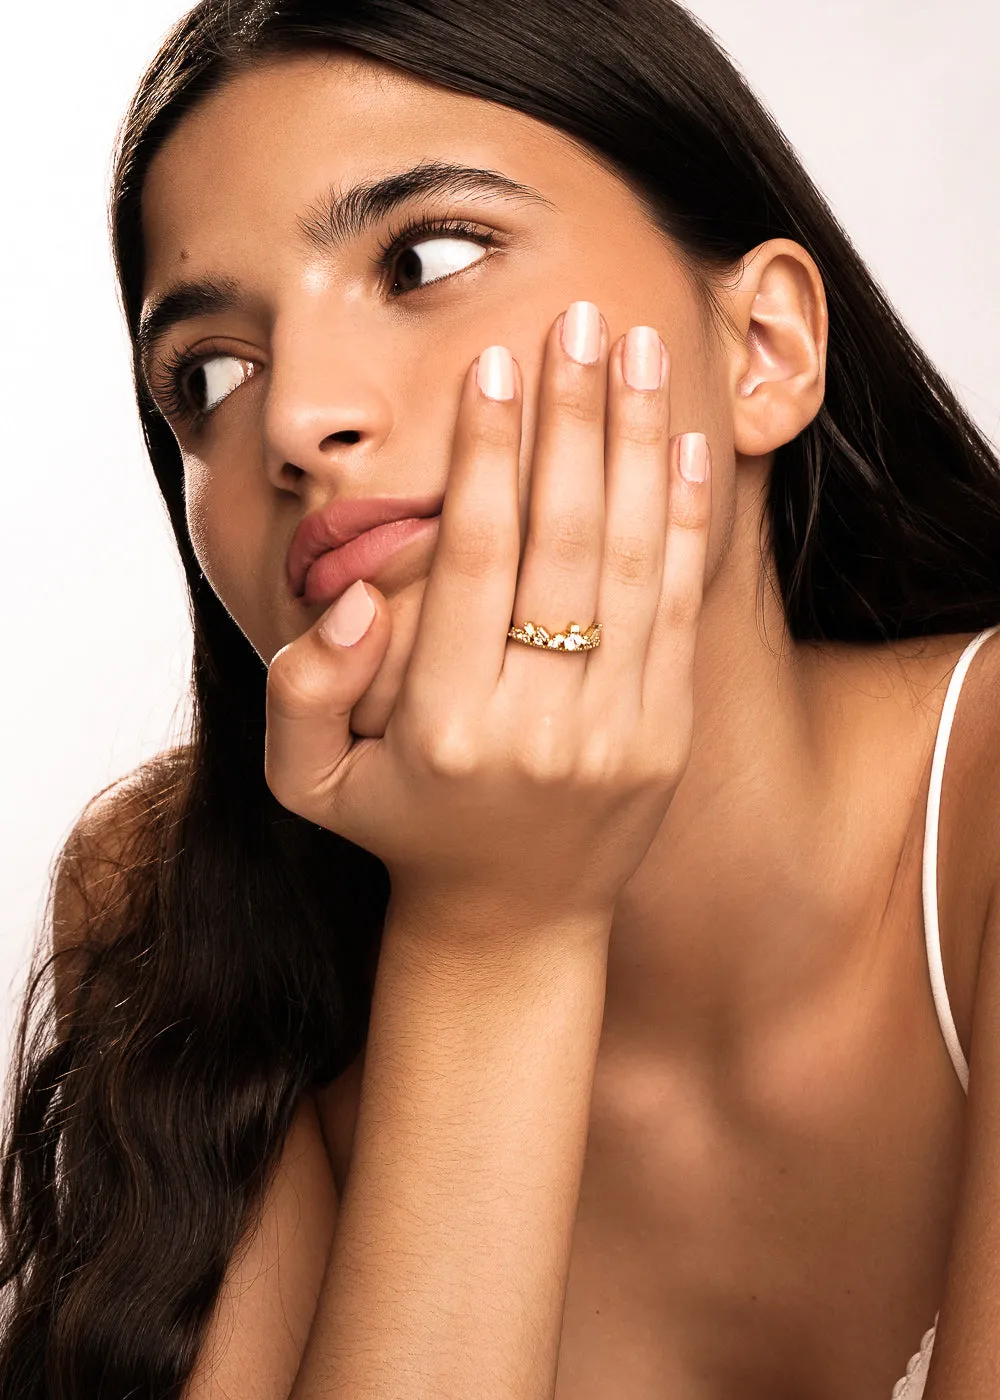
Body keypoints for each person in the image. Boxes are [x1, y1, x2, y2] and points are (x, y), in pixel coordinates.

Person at [2, 1, 999, 1396]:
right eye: (208, 374)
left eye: (424, 257)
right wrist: (491, 933)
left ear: (765, 348)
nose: (293, 421)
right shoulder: (182, 907)